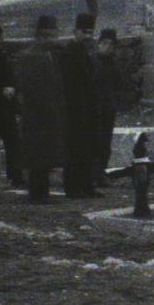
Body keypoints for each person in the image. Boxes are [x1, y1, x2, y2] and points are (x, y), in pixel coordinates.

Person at [13, 16, 69, 202]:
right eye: (51, 36)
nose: (55, 40)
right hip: (38, 115)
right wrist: (47, 110)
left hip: (48, 113)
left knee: (44, 156)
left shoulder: (48, 55)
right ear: (42, 36)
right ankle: (38, 194)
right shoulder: (31, 56)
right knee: (38, 156)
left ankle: (42, 192)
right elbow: (31, 88)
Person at [59, 13, 101, 198]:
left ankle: (87, 185)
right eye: (85, 32)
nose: (88, 36)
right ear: (76, 31)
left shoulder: (85, 50)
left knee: (88, 148)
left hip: (87, 107)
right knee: (74, 149)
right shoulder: (68, 52)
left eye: (90, 33)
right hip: (74, 108)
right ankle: (73, 187)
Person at [0, 21, 24, 186]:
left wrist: (12, 88)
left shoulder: (1, 54)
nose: (1, 40)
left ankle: (14, 174)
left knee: (12, 141)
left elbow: (11, 76)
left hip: (3, 107)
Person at [92, 27, 123, 186]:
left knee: (105, 141)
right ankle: (94, 173)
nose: (108, 47)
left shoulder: (113, 63)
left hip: (108, 107)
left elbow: (119, 84)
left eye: (111, 45)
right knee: (95, 141)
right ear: (99, 44)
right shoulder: (93, 62)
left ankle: (101, 172)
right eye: (105, 44)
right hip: (95, 107)